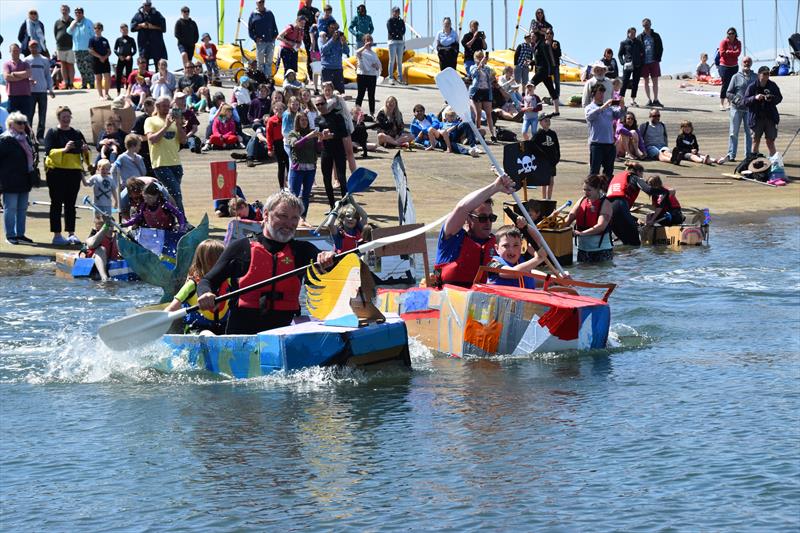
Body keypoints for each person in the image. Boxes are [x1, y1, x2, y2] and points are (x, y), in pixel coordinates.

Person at [197, 190, 335, 335]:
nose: (289, 223)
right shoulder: (241, 248)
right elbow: (208, 280)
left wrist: (330, 259)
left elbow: (332, 268)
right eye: (283, 216)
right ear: (266, 215)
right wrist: (206, 293)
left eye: (295, 218)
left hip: (285, 330)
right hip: (244, 331)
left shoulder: (303, 251)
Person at [434, 170, 516, 287]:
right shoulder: (452, 236)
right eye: (482, 218)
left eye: (491, 217)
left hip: (479, 299)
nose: (488, 222)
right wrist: (495, 187)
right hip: (448, 297)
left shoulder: (496, 244)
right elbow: (462, 208)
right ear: (468, 218)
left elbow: (516, 270)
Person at [44, 106, 90, 245]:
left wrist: (85, 150)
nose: (66, 119)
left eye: (68, 117)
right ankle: (57, 235)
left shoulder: (76, 133)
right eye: (63, 117)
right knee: (56, 203)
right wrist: (64, 149)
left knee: (71, 204)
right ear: (58, 118)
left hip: (73, 172)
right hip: (56, 172)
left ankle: (71, 233)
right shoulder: (52, 132)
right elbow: (48, 152)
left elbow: (85, 156)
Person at [166, 239, 229, 334]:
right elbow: (171, 309)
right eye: (220, 260)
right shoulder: (192, 285)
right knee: (207, 334)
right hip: (196, 331)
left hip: (223, 329)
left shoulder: (229, 281)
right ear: (206, 262)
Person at [145, 96, 187, 213]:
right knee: (176, 193)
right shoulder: (150, 120)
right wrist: (166, 126)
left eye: (168, 106)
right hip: (160, 163)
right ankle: (183, 221)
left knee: (170, 195)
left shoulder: (173, 121)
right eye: (164, 106)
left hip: (176, 163)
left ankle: (169, 218)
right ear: (157, 106)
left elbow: (183, 141)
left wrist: (178, 125)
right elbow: (152, 139)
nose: (166, 109)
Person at [0, 112, 35, 245]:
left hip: (24, 178)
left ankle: (20, 234)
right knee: (10, 208)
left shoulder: (24, 137)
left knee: (22, 208)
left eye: (24, 122)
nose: (22, 125)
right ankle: (10, 235)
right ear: (11, 124)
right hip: (10, 179)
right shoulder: (5, 139)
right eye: (19, 122)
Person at [565, 174, 613, 263]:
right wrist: (556, 228)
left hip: (601, 251)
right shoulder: (582, 200)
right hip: (583, 250)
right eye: (584, 189)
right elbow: (570, 217)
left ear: (598, 189)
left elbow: (601, 226)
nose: (586, 193)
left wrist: (582, 233)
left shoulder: (606, 203)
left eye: (589, 190)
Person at [314, 95, 348, 209]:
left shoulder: (337, 116)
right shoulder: (317, 119)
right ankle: (332, 206)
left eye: (322, 103)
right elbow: (316, 133)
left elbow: (344, 133)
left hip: (338, 149)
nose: (320, 106)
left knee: (342, 177)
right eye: (317, 104)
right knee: (326, 178)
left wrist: (331, 135)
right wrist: (321, 135)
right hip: (326, 151)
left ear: (326, 103)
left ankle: (345, 204)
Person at [485, 225, 544, 289]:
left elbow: (538, 239)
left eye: (516, 245)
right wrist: (538, 259)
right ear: (497, 248)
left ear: (521, 246)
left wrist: (526, 225)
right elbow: (514, 273)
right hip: (503, 298)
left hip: (525, 297)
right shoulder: (493, 264)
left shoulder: (523, 261)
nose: (511, 250)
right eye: (506, 246)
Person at [721, 56, 756, 163]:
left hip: (749, 110)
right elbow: (728, 93)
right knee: (733, 132)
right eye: (745, 61)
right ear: (741, 63)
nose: (747, 63)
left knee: (749, 133)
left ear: (751, 63)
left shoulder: (755, 77)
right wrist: (737, 100)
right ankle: (731, 154)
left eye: (749, 62)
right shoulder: (735, 77)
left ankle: (748, 155)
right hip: (736, 109)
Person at [287, 111, 321, 222]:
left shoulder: (312, 134)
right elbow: (296, 145)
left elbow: (318, 149)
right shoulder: (293, 133)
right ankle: (291, 217)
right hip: (298, 169)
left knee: (306, 195)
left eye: (306, 120)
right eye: (302, 120)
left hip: (310, 168)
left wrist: (321, 139)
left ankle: (303, 218)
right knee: (294, 195)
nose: (304, 122)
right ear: (297, 121)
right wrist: (308, 136)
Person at [606, 160, 649, 246]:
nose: (642, 176)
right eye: (642, 174)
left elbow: (617, 209)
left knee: (627, 243)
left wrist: (636, 220)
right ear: (638, 172)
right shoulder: (635, 178)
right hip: (619, 208)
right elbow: (649, 190)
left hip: (608, 211)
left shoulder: (616, 177)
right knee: (635, 244)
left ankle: (623, 259)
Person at [585, 84, 623, 179]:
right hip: (597, 144)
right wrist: (604, 106)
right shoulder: (589, 107)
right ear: (593, 94)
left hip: (609, 144)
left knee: (609, 171)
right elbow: (590, 117)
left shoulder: (609, 108)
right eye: (600, 92)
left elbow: (618, 115)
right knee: (594, 171)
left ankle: (606, 191)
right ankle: (592, 191)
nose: (602, 95)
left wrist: (622, 107)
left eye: (603, 92)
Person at [744, 66, 783, 157]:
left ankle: (773, 161)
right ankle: (754, 159)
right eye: (764, 74)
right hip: (756, 118)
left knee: (770, 141)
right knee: (755, 140)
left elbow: (779, 98)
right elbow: (745, 101)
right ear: (759, 75)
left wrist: (771, 98)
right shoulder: (752, 86)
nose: (766, 76)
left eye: (768, 74)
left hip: (770, 117)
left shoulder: (772, 85)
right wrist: (755, 98)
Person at [122, 181, 186, 230]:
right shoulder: (143, 206)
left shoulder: (165, 204)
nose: (147, 200)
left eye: (150, 198)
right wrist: (126, 224)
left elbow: (179, 214)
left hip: (167, 231)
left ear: (157, 195)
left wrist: (181, 226)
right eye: (145, 198)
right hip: (151, 233)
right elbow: (136, 218)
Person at [24, 41, 55, 141]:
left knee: (42, 114)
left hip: (42, 91)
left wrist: (50, 89)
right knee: (29, 115)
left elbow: (48, 75)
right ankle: (29, 135)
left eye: (35, 46)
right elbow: (25, 75)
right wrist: (28, 80)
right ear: (29, 48)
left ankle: (40, 136)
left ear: (38, 47)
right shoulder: (26, 60)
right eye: (31, 47)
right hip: (30, 91)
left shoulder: (44, 60)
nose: (34, 48)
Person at [468, 51, 497, 143]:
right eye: (478, 57)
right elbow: (474, 74)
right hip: (477, 91)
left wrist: (485, 65)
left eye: (482, 57)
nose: (480, 59)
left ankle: (493, 134)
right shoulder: (473, 67)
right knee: (478, 113)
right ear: (475, 58)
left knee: (489, 113)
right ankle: (478, 134)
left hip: (486, 91)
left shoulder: (487, 68)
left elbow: (491, 77)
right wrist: (480, 64)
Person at [83, 214, 122, 281]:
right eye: (108, 226)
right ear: (98, 228)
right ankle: (104, 278)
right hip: (94, 266)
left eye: (111, 226)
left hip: (109, 264)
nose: (111, 228)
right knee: (101, 249)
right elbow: (92, 244)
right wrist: (105, 226)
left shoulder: (115, 238)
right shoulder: (92, 237)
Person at [130, 0, 168, 68]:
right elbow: (132, 28)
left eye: (149, 5)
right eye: (146, 5)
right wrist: (141, 25)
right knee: (143, 64)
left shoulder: (157, 14)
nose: (148, 7)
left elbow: (163, 28)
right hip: (143, 44)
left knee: (158, 64)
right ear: (142, 5)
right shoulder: (138, 15)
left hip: (156, 44)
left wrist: (152, 26)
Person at [529, 30, 559, 115]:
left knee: (530, 84)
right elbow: (539, 60)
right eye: (531, 37)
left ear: (537, 37)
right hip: (544, 71)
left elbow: (548, 57)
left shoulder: (542, 45)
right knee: (551, 89)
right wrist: (531, 62)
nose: (531, 38)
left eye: (533, 36)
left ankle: (528, 106)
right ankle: (557, 111)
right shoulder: (537, 46)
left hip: (543, 70)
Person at [531, 113, 560, 199]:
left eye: (548, 120)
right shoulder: (538, 134)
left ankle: (549, 198)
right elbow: (531, 146)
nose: (547, 122)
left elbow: (557, 147)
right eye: (545, 120)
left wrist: (557, 158)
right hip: (543, 162)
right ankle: (544, 199)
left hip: (552, 161)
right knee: (544, 182)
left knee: (551, 181)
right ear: (541, 123)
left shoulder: (553, 133)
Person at [248, 0, 279, 79]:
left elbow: (274, 25)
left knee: (269, 61)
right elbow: (250, 29)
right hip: (260, 42)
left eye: (262, 2)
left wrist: (275, 35)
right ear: (256, 3)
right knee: (260, 62)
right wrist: (255, 38)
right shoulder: (253, 14)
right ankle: (261, 78)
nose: (261, 3)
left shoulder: (269, 13)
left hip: (270, 41)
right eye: (259, 2)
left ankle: (268, 78)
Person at [638, 18, 664, 107]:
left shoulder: (656, 35)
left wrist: (658, 58)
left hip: (654, 61)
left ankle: (656, 99)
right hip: (644, 62)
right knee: (646, 81)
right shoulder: (640, 37)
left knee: (655, 81)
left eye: (647, 24)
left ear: (650, 24)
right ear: (642, 26)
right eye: (645, 25)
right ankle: (649, 100)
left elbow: (661, 47)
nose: (646, 26)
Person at [67, 6, 94, 89]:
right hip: (77, 49)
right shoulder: (73, 22)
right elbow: (68, 31)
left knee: (89, 66)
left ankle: (92, 83)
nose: (77, 14)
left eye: (79, 12)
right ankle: (84, 84)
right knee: (80, 67)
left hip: (87, 48)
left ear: (82, 13)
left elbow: (92, 35)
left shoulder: (88, 22)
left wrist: (92, 46)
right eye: (76, 13)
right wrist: (74, 24)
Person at [3, 44, 33, 117]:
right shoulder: (7, 64)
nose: (15, 52)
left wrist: (14, 74)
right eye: (13, 51)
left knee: (26, 119)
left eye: (17, 50)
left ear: (20, 51)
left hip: (25, 96)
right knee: (12, 119)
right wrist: (22, 76)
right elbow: (7, 77)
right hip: (13, 97)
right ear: (10, 52)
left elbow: (28, 74)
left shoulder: (25, 64)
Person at [319, 21, 349, 94]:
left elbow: (347, 51)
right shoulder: (323, 38)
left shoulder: (339, 39)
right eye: (332, 28)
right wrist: (332, 39)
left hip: (338, 69)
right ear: (328, 28)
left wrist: (344, 42)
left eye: (336, 28)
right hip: (327, 69)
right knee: (326, 93)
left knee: (340, 93)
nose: (334, 30)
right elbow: (323, 50)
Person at [355, 34, 380, 116]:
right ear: (364, 41)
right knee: (360, 95)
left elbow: (378, 64)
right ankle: (356, 112)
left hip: (372, 76)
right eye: (367, 40)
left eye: (370, 40)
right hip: (362, 75)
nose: (369, 42)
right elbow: (357, 52)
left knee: (371, 95)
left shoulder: (374, 53)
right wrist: (364, 47)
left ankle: (372, 113)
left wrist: (376, 66)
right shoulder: (361, 51)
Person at [618, 27, 644, 107]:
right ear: (628, 33)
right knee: (625, 82)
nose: (633, 34)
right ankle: (620, 99)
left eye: (634, 33)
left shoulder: (639, 42)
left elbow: (642, 52)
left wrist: (641, 61)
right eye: (631, 33)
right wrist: (623, 63)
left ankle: (633, 100)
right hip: (627, 65)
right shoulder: (624, 42)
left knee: (635, 83)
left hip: (637, 65)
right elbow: (619, 54)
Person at [266, 101, 289, 189]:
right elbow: (269, 135)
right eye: (276, 109)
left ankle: (291, 185)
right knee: (281, 166)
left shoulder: (286, 118)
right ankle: (281, 187)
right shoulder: (271, 120)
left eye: (281, 109)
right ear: (273, 110)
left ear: (284, 110)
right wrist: (269, 148)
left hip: (286, 142)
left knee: (289, 165)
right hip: (278, 144)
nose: (279, 111)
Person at [130, 96, 156, 175]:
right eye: (155, 106)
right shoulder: (140, 120)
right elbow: (135, 137)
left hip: (156, 153)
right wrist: (152, 136)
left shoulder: (158, 119)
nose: (157, 108)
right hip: (144, 154)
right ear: (146, 107)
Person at [718, 27, 742, 110]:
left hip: (734, 66)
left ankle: (729, 102)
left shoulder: (738, 42)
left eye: (732, 33)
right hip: (724, 66)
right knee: (725, 84)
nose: (731, 35)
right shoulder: (723, 42)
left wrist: (729, 52)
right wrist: (732, 53)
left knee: (733, 85)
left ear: (735, 34)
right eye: (729, 33)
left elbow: (738, 53)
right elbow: (722, 53)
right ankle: (721, 103)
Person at [297, 0, 320, 84]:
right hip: (306, 36)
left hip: (316, 36)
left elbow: (320, 20)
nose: (308, 1)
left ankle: (318, 75)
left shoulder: (315, 10)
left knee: (318, 56)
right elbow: (299, 23)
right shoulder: (301, 11)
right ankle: (311, 77)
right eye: (306, 0)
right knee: (310, 55)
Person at [88, 22, 112, 100]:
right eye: (95, 28)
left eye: (99, 28)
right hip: (96, 60)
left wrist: (105, 57)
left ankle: (107, 94)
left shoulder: (105, 40)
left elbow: (109, 51)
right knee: (98, 78)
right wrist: (100, 57)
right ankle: (100, 95)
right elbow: (90, 50)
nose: (97, 30)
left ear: (102, 29)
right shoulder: (92, 39)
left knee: (107, 77)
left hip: (105, 60)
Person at [53, 5, 76, 90]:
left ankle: (71, 83)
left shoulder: (73, 21)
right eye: (62, 9)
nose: (64, 11)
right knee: (63, 65)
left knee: (70, 65)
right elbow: (55, 33)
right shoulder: (57, 22)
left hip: (70, 46)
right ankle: (66, 83)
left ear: (69, 11)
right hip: (60, 46)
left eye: (66, 9)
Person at [114, 24, 137, 95]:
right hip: (121, 59)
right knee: (118, 75)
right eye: (123, 30)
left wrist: (130, 55)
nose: (125, 31)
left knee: (128, 75)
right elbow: (115, 49)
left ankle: (127, 91)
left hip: (129, 59)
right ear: (121, 30)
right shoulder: (118, 39)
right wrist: (119, 55)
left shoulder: (131, 39)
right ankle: (118, 92)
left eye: (126, 30)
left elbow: (135, 50)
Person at [386, 6, 406, 85]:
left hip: (400, 42)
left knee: (399, 61)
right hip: (392, 42)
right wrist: (398, 34)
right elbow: (391, 31)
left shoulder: (401, 21)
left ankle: (400, 77)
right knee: (392, 60)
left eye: (398, 11)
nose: (396, 13)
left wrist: (399, 34)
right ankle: (390, 77)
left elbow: (403, 30)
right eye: (395, 11)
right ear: (392, 12)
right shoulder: (389, 21)